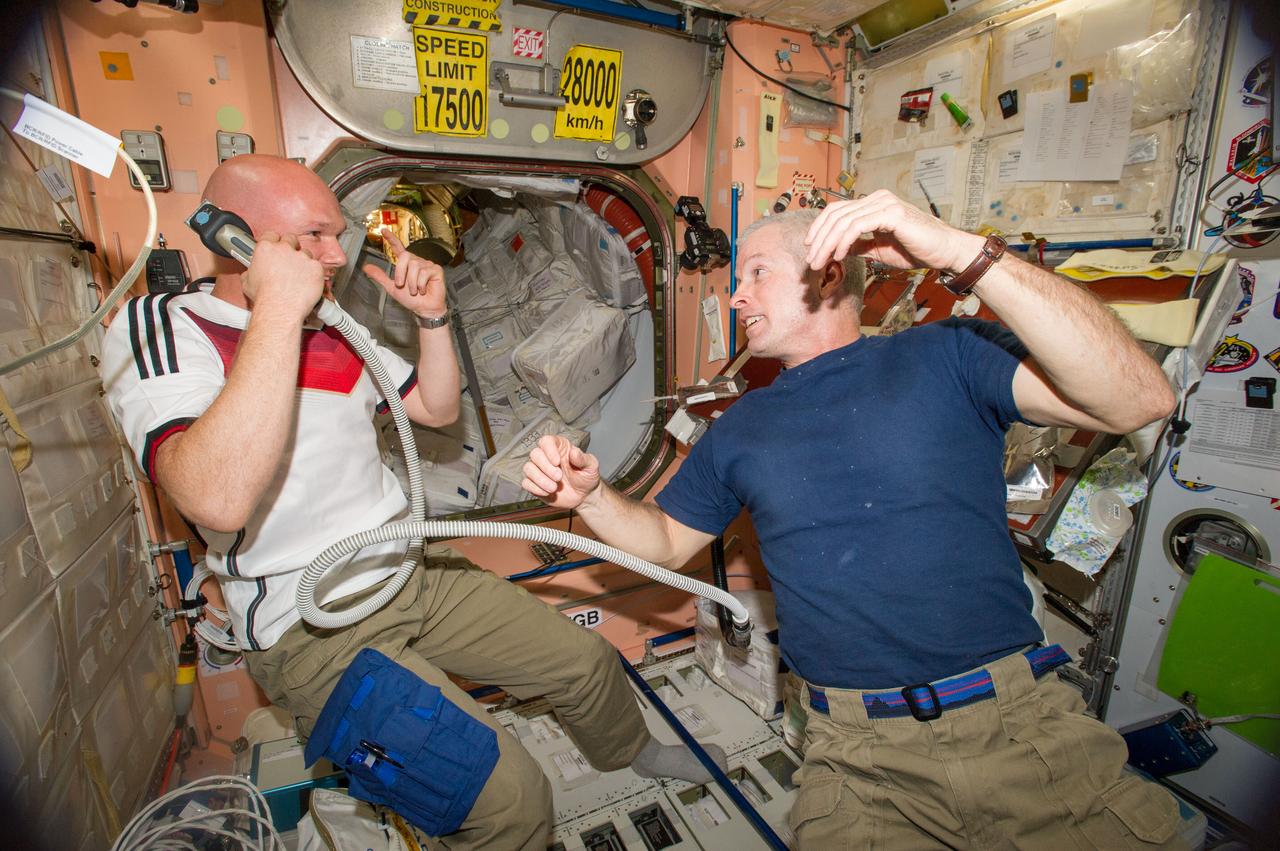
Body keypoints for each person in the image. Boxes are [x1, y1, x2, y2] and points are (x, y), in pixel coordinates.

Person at [523, 189, 1188, 848]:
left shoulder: (945, 354)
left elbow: (1136, 397)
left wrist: (961, 251)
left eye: (756, 273)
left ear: (828, 269)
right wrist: (592, 497)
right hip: (855, 757)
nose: (735, 297)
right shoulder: (742, 426)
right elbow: (667, 543)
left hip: (1014, 723)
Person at [99, 154, 722, 849]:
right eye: (315, 236)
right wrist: (276, 307)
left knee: (587, 663)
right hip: (311, 627)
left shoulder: (332, 325)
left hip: (410, 573)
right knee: (513, 803)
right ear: (240, 239)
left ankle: (625, 752)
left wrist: (433, 320)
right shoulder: (168, 328)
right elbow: (213, 498)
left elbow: (433, 405)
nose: (337, 254)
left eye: (339, 232)